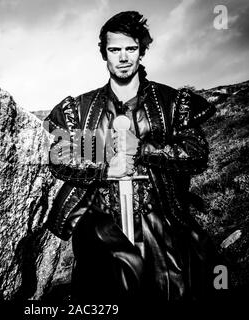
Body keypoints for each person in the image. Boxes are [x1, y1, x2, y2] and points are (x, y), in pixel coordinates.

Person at [44, 11, 221, 302]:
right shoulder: (83, 109)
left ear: (141, 51)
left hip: (160, 223)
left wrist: (144, 149)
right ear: (105, 54)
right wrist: (105, 169)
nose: (123, 57)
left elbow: (196, 153)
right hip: (101, 226)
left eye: (131, 48)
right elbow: (60, 155)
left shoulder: (171, 103)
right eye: (115, 49)